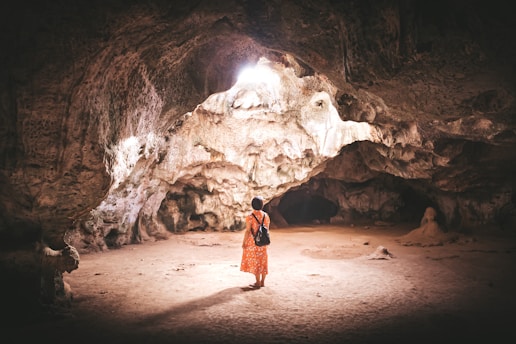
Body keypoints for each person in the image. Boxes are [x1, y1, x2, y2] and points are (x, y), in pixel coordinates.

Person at [240, 196, 270, 288]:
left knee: (256, 261)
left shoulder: (250, 217)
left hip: (253, 242)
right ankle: (263, 282)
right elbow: (267, 228)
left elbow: (248, 230)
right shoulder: (265, 215)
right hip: (263, 241)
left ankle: (257, 282)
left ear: (252, 205)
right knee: (263, 260)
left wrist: (244, 242)